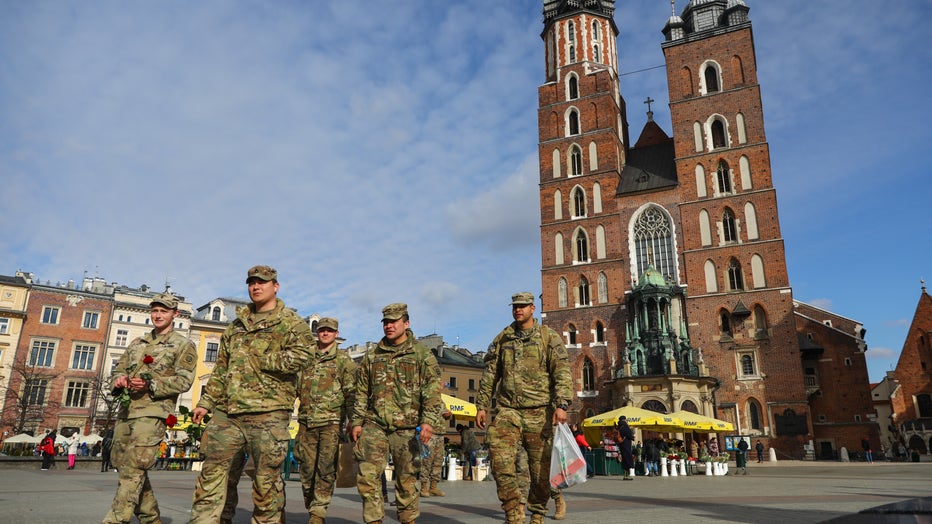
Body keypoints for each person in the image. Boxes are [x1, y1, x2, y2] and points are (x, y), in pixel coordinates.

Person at [190, 265, 316, 524]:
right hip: (229, 413)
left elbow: (306, 355)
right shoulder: (236, 326)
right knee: (212, 475)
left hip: (268, 413)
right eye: (251, 282)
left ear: (275, 286)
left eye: (262, 282)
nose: (256, 286)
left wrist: (266, 359)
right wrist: (206, 402)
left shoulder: (290, 322)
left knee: (265, 482)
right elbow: (221, 368)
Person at [476, 291, 572, 524]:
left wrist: (561, 404)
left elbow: (561, 371)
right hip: (508, 410)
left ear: (532, 309)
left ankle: (537, 511)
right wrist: (481, 405)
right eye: (514, 306)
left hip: (540, 411)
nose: (517, 310)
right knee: (500, 461)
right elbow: (490, 374)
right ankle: (513, 512)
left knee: (540, 472)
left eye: (523, 306)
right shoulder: (504, 338)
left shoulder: (548, 337)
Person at [102, 292, 198, 524]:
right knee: (125, 466)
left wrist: (150, 384)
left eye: (163, 311)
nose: (158, 315)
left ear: (175, 314)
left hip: (154, 412)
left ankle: (115, 519)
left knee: (134, 467)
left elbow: (185, 381)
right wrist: (119, 379)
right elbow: (119, 369)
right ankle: (151, 519)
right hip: (127, 411)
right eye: (155, 310)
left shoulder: (183, 345)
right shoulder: (138, 343)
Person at [351, 303, 443, 524]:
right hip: (375, 425)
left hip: (408, 428)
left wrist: (428, 422)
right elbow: (362, 390)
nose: (389, 326)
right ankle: (373, 521)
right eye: (386, 322)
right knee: (368, 477)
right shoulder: (373, 356)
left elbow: (432, 391)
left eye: (394, 321)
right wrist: (356, 421)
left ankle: (408, 520)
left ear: (406, 323)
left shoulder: (421, 354)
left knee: (406, 479)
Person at [294, 317, 358, 524]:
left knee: (325, 469)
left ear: (336, 334)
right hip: (305, 422)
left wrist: (354, 421)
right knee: (306, 469)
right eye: (322, 330)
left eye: (329, 331)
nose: (325, 333)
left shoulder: (344, 362)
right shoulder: (305, 359)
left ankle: (318, 513)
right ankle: (311, 504)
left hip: (331, 423)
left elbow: (351, 394)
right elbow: (292, 388)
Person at [421, 411, 451, 496]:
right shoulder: (428, 399)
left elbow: (446, 417)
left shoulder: (442, 402)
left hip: (440, 435)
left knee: (438, 461)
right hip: (430, 434)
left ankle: (433, 487)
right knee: (427, 461)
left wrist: (448, 415)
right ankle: (423, 487)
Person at [616, 416, 635, 480]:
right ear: (624, 420)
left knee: (624, 458)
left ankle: (625, 474)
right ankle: (627, 475)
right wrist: (632, 436)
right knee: (627, 458)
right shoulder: (625, 426)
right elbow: (629, 435)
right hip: (626, 444)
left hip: (621, 444)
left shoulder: (618, 426)